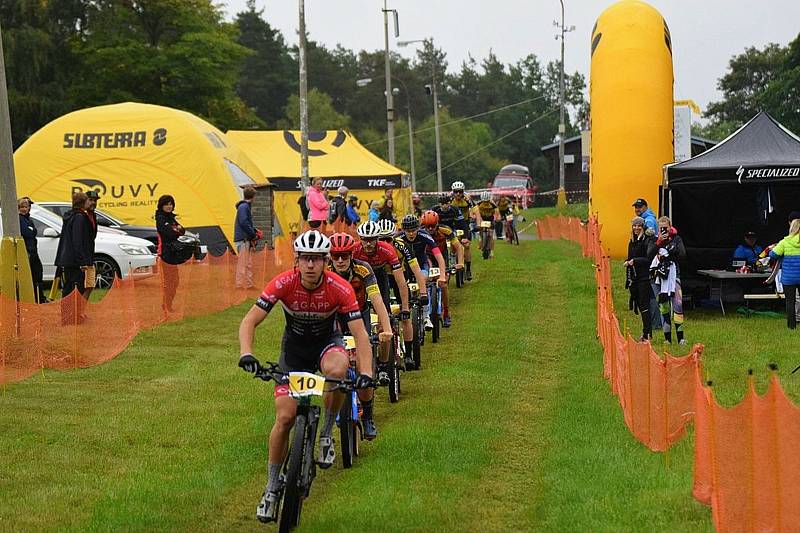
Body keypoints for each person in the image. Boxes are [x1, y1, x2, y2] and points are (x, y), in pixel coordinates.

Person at [237, 230, 374, 522]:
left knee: (338, 371)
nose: (310, 265)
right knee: (285, 417)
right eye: (305, 259)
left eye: (316, 260)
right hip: (295, 352)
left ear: (325, 261)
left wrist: (366, 372)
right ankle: (272, 487)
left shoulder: (340, 288)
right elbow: (250, 320)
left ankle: (325, 434)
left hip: (328, 344)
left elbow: (360, 334)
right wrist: (246, 353)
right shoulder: (283, 283)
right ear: (297, 260)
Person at [328, 233, 393, 439]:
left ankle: (368, 417)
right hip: (335, 317)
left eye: (344, 256)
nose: (340, 260)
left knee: (365, 368)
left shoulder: (363, 269)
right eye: (336, 256)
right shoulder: (325, 271)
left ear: (351, 255)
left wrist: (386, 328)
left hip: (360, 313)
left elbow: (377, 300)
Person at [397, 214, 447, 330]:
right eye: (408, 231)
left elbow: (439, 256)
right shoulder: (398, 238)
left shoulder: (424, 235)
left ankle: (426, 317)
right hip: (406, 267)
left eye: (413, 230)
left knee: (423, 280)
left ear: (418, 229)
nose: (410, 234)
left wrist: (442, 275)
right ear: (403, 230)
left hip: (422, 264)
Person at [55, 191, 95, 324]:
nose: (91, 202)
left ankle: (67, 317)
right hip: (75, 260)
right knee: (77, 288)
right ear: (84, 203)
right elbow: (78, 240)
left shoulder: (69, 216)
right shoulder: (79, 218)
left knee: (69, 288)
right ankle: (72, 317)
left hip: (67, 259)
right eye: (88, 200)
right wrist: (82, 261)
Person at [421, 210, 463, 328]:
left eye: (432, 226)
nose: (430, 229)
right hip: (427, 257)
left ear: (437, 224)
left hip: (442, 257)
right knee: (426, 280)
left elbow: (458, 247)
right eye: (427, 227)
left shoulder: (446, 230)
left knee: (443, 285)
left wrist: (460, 263)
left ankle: (446, 313)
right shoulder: (420, 232)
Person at [648, 216, 686, 345]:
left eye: (666, 228)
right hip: (660, 278)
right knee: (664, 307)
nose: (664, 230)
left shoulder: (676, 238)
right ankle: (667, 339)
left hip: (674, 276)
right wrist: (658, 243)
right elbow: (649, 255)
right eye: (661, 228)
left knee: (677, 305)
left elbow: (682, 254)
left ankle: (681, 338)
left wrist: (671, 248)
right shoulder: (654, 240)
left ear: (670, 227)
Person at [624, 216, 656, 340]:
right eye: (634, 226)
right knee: (639, 304)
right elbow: (629, 256)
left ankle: (647, 333)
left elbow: (648, 259)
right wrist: (628, 262)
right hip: (634, 278)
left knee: (645, 305)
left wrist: (634, 261)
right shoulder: (632, 241)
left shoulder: (647, 240)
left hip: (644, 277)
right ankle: (646, 332)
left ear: (643, 227)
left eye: (639, 226)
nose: (636, 228)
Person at [155, 194, 185, 313]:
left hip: (173, 253)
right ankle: (166, 305)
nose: (169, 206)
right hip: (166, 254)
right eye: (166, 204)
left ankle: (168, 304)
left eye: (171, 204)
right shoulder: (161, 218)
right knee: (169, 281)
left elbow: (182, 230)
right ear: (161, 205)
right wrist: (176, 230)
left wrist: (177, 230)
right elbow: (169, 233)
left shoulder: (170, 217)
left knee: (175, 281)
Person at [769, 219, 800, 329]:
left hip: (789, 278)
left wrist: (771, 249)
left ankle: (791, 326)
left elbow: (773, 255)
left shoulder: (784, 242)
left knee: (790, 301)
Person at [18, 197, 46, 302]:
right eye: (22, 207)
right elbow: (28, 232)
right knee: (32, 276)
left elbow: (33, 232)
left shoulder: (29, 219)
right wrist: (31, 230)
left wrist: (31, 230)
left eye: (27, 206)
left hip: (33, 251)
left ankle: (40, 297)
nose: (25, 209)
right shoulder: (20, 219)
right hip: (27, 252)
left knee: (38, 275)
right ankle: (36, 298)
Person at [234, 186, 262, 289]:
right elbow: (244, 222)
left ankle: (248, 284)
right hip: (243, 239)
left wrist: (253, 231)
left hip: (245, 239)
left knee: (248, 262)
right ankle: (240, 284)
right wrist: (253, 234)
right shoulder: (244, 207)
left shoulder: (244, 207)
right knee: (243, 263)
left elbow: (244, 222)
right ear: (253, 196)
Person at [450, 181, 474, 280]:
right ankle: (452, 262)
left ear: (463, 192)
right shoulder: (450, 200)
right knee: (452, 245)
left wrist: (473, 216)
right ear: (453, 192)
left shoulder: (467, 200)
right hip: (454, 225)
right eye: (456, 192)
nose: (458, 194)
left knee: (467, 245)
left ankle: (468, 269)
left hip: (465, 224)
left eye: (460, 192)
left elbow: (474, 209)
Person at [474, 191, 499, 258]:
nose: (485, 203)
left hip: (490, 219)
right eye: (484, 201)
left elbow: (497, 211)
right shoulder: (478, 204)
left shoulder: (492, 204)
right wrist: (473, 216)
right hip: (482, 219)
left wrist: (497, 218)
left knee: (491, 235)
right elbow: (474, 211)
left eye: (487, 201)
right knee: (481, 233)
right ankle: (481, 240)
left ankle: (491, 252)